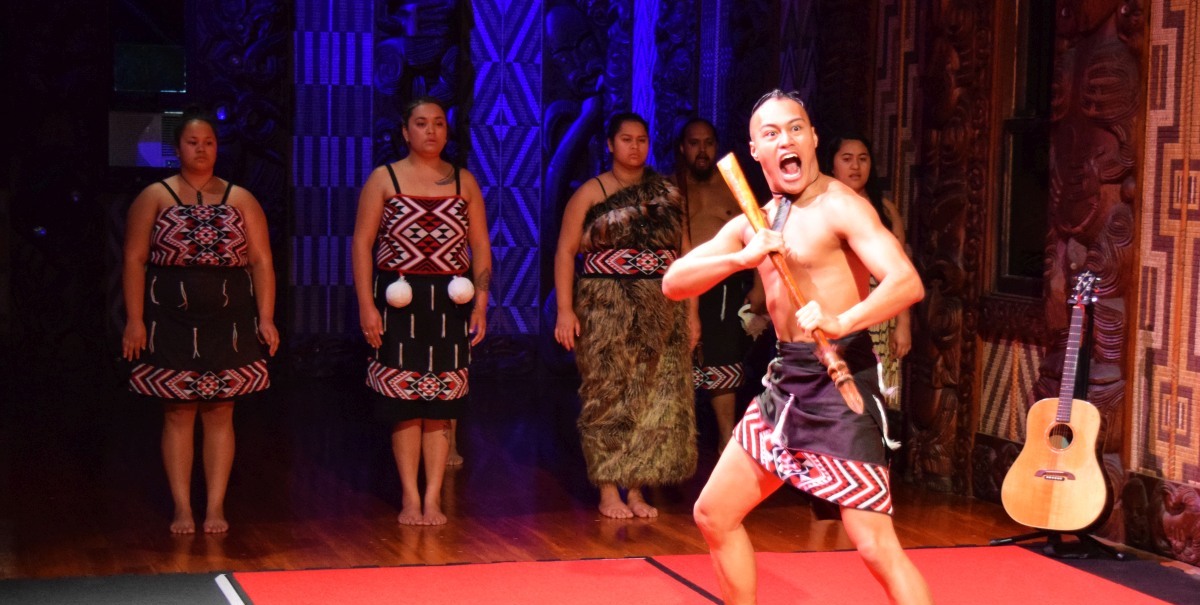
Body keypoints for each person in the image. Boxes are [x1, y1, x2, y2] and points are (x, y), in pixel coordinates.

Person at [663, 90, 932, 604]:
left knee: (875, 545)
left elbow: (906, 282)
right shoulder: (755, 221)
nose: (785, 140)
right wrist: (742, 258)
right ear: (755, 151)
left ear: (811, 139)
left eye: (795, 129)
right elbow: (674, 282)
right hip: (784, 385)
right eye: (771, 134)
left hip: (841, 383)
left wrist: (841, 319)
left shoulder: (841, 206)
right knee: (713, 515)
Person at [122, 109, 279, 535]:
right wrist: (135, 319)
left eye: (209, 141)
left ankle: (213, 507)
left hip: (228, 318)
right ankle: (181, 507)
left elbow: (262, 261)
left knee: (221, 410)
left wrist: (266, 317)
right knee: (177, 411)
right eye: (193, 142)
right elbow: (134, 260)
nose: (202, 149)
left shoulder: (240, 198)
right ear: (178, 150)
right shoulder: (154, 196)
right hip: (170, 318)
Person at [352, 96, 491, 526]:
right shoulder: (384, 178)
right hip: (398, 300)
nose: (431, 131)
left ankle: (433, 499)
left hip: (450, 303)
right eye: (421, 123)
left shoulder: (463, 182)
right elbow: (361, 244)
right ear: (405, 131)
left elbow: (481, 247)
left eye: (438, 124)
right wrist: (366, 306)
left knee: (440, 406)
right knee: (404, 405)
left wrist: (481, 303)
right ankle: (410, 498)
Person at [554, 112, 698, 519]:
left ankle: (636, 489)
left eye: (642, 140)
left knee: (649, 396)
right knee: (608, 395)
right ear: (610, 145)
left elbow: (685, 256)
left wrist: (692, 313)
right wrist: (565, 310)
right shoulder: (591, 192)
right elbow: (566, 252)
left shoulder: (665, 193)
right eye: (626, 140)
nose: (636, 147)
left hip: (661, 303)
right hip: (606, 303)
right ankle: (607, 491)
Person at [673, 118, 765, 453]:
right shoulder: (671, 188)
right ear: (683, 147)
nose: (702, 150)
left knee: (724, 362)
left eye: (708, 143)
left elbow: (758, 233)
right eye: (694, 143)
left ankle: (728, 441)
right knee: (679, 363)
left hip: (726, 286)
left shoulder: (733, 187)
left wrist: (759, 286)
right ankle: (676, 450)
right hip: (682, 285)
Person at [822, 134, 911, 408]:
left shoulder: (884, 210)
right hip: (838, 308)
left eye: (863, 159)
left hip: (880, 309)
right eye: (847, 159)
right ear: (833, 165)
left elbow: (902, 271)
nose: (855, 167)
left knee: (876, 395)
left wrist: (903, 324)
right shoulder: (822, 208)